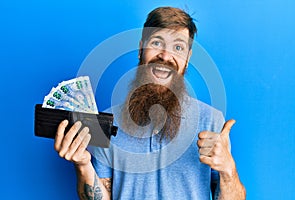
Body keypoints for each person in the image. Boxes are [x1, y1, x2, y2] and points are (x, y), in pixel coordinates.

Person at [54, 6, 246, 200]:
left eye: (178, 47)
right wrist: (83, 165)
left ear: (187, 59)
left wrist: (228, 170)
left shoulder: (211, 121)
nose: (165, 55)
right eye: (156, 42)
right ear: (141, 49)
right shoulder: (108, 123)